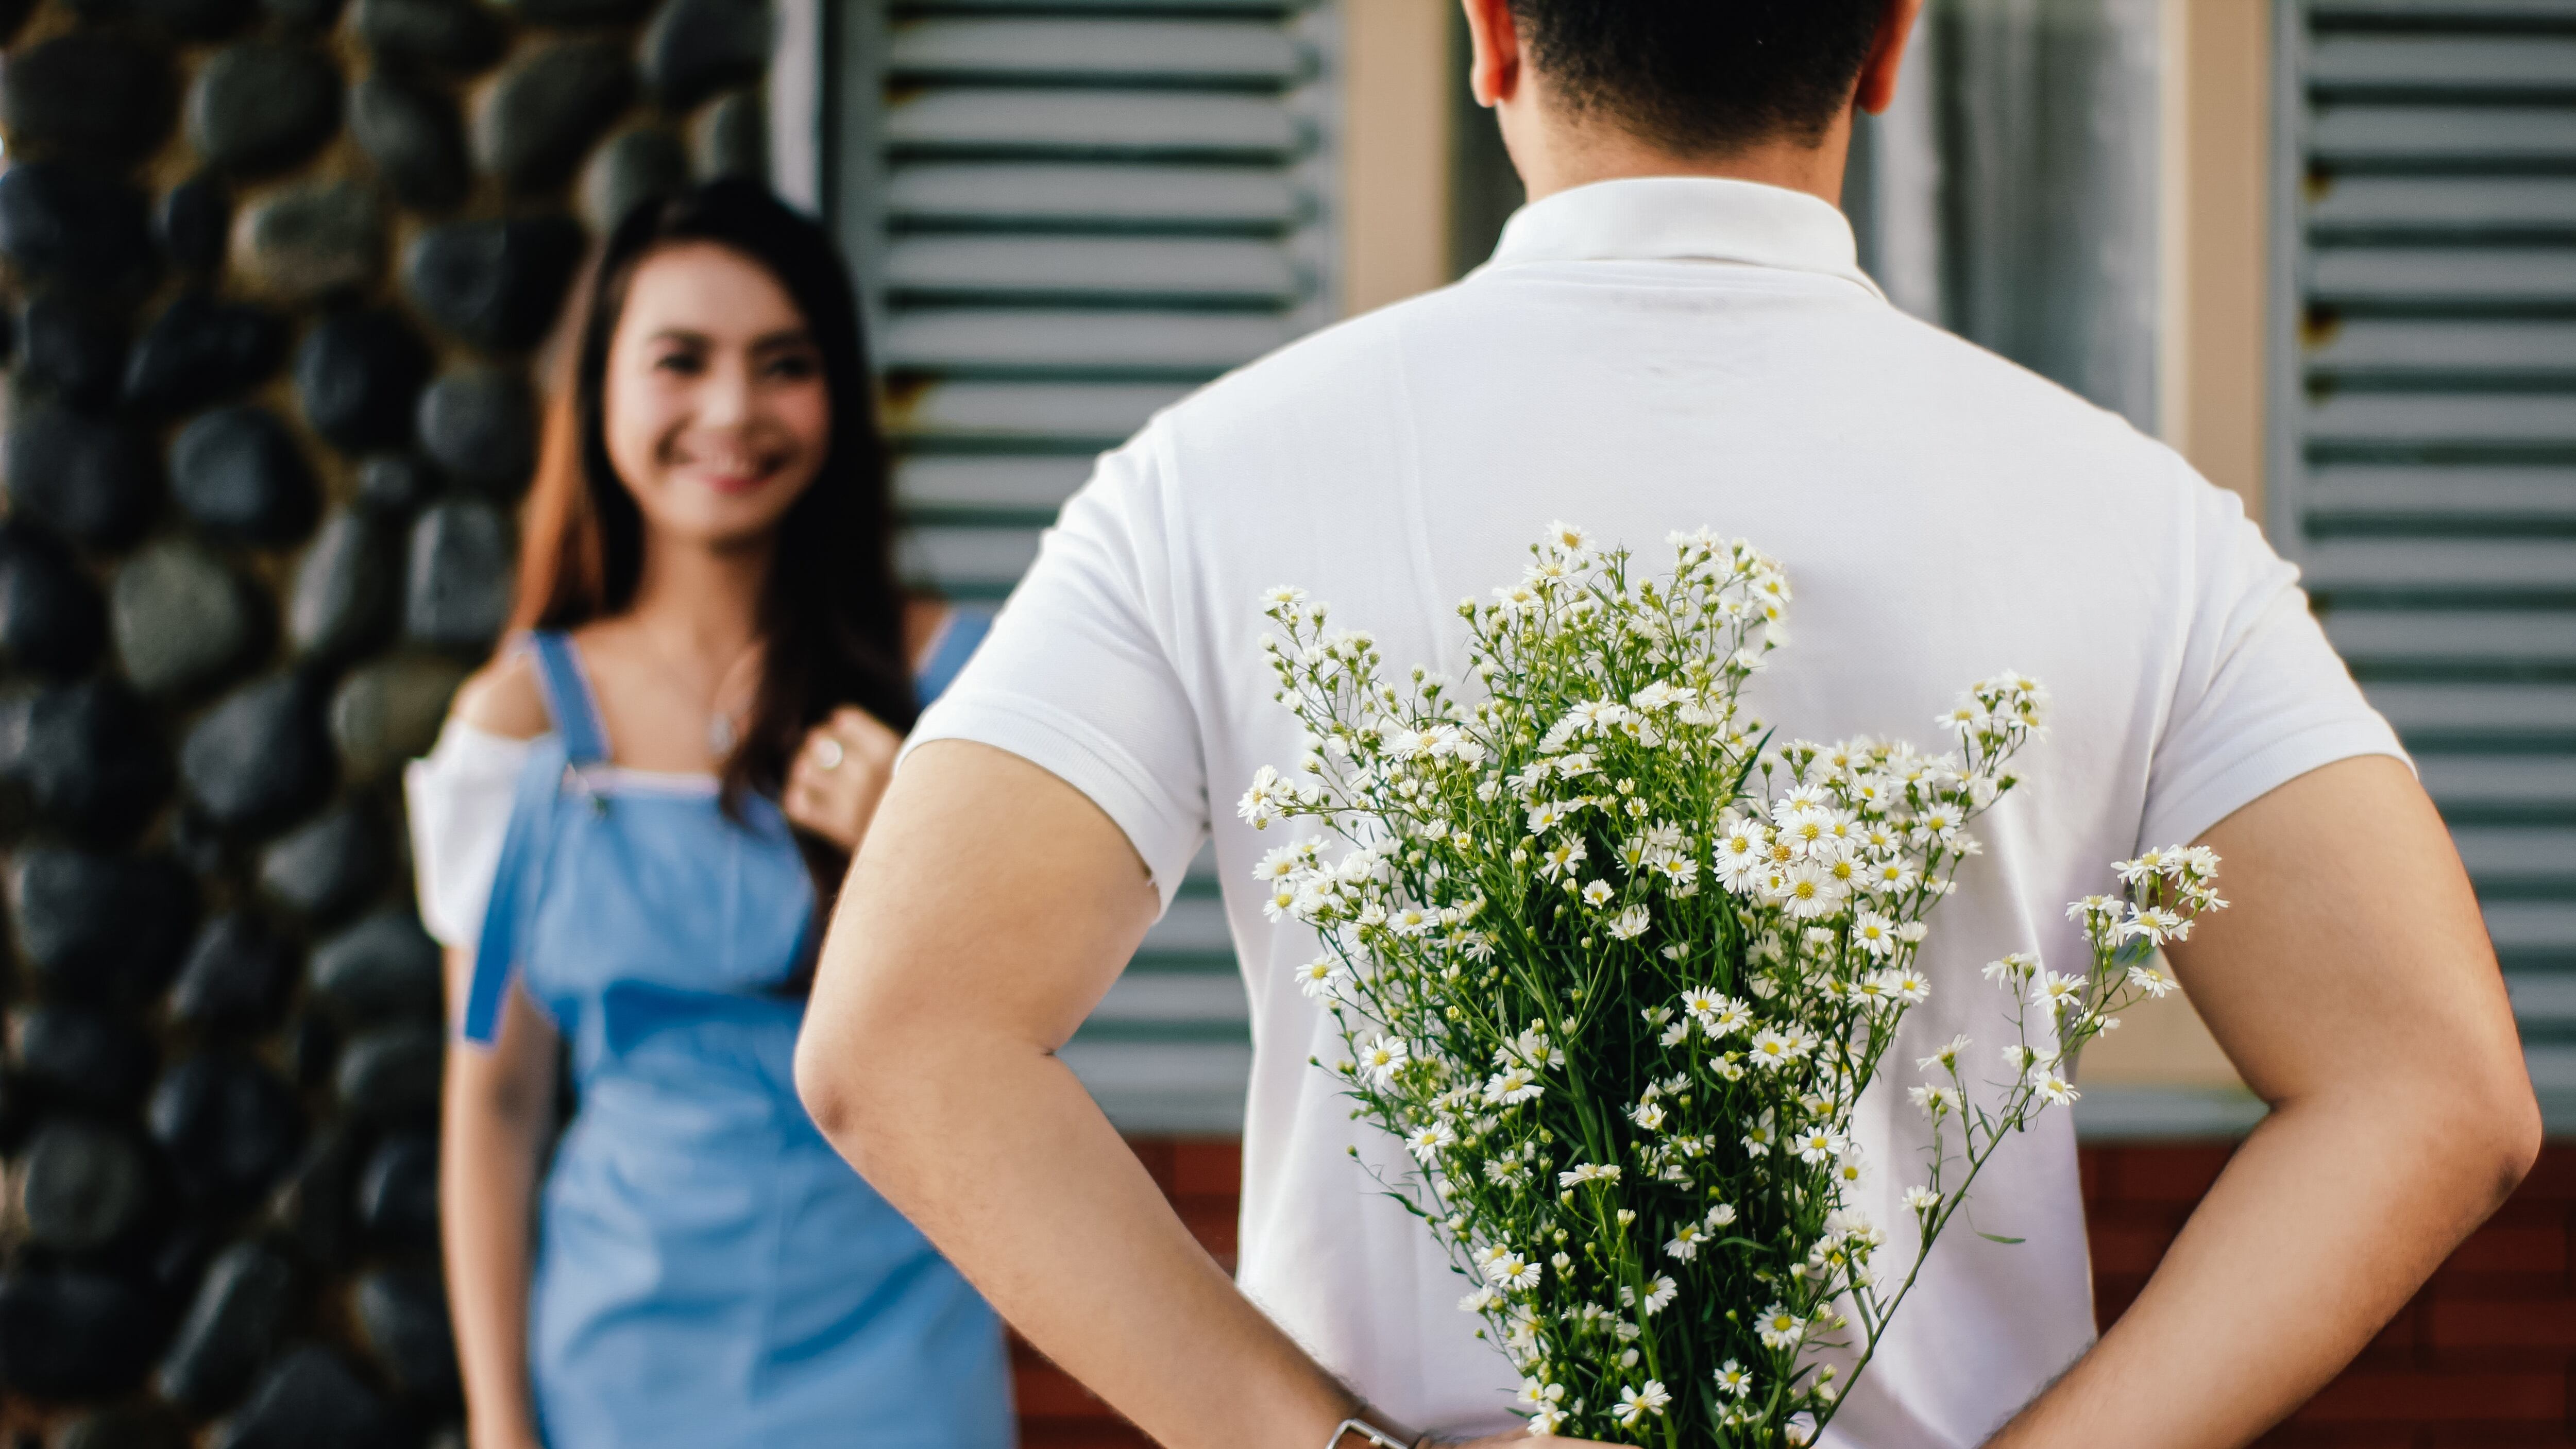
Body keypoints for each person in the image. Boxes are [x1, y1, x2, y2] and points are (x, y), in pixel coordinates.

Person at [791, 2, 2540, 1446]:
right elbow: (2441, 1090)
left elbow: (897, 1041)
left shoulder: (1211, 483)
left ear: (1490, 36)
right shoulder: (2136, 518)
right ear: (1887, 49)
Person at [410, 179, 1009, 1449]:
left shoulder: (962, 686)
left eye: (783, 366)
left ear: (837, 399)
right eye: (681, 362)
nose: (731, 411)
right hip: (614, 1369)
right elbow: (496, 1102)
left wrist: (906, 846)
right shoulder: (519, 720)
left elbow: (1023, 1045)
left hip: (902, 1353)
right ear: (603, 393)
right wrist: (500, 1423)